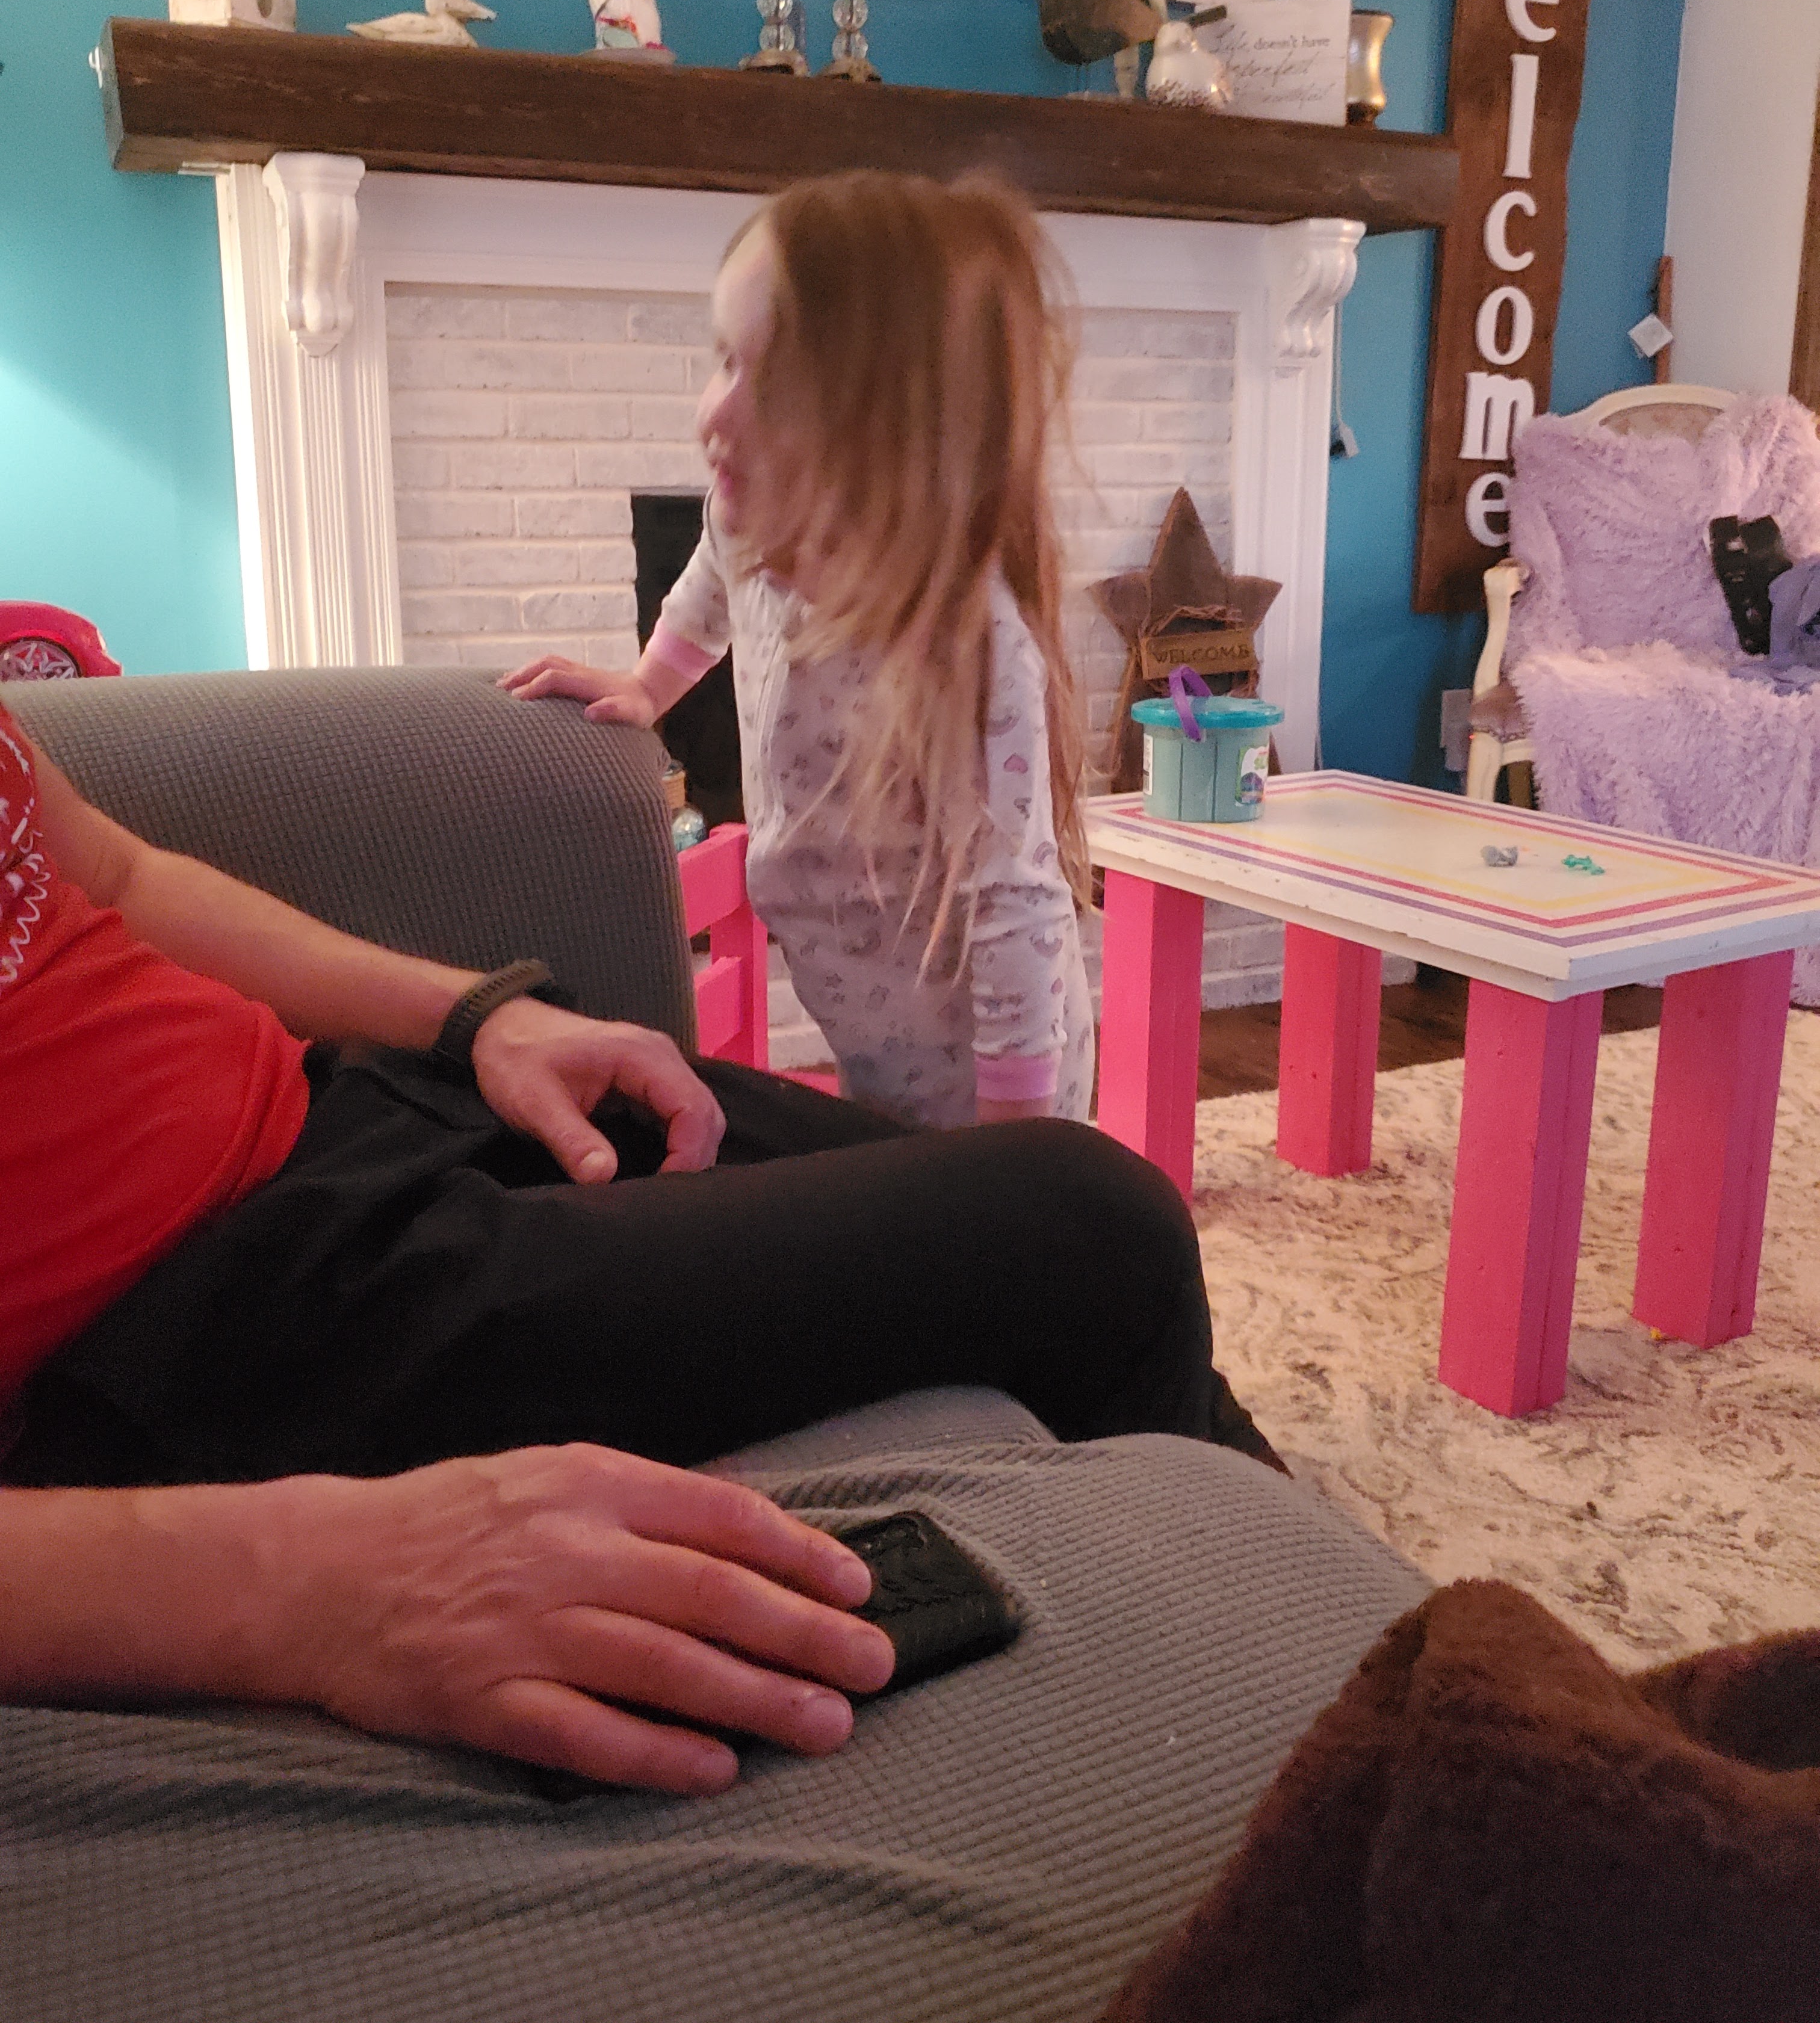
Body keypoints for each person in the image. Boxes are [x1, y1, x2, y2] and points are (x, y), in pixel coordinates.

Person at [0, 691, 1277, 1796]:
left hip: (337, 1112)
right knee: (1092, 1226)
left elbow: (118, 877)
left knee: (1031, 1230)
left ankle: (1305, 1602)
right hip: (210, 1323)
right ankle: (1295, 1725)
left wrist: (476, 1020)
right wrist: (311, 1586)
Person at [500, 172, 1094, 1131]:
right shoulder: (751, 521)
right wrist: (650, 685)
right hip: (864, 1029)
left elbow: (1016, 909)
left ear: (894, 434)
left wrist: (1014, 1146)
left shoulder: (965, 648)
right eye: (722, 360)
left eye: (768, 385)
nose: (714, 414)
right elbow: (709, 580)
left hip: (987, 1078)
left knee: (982, 1230)